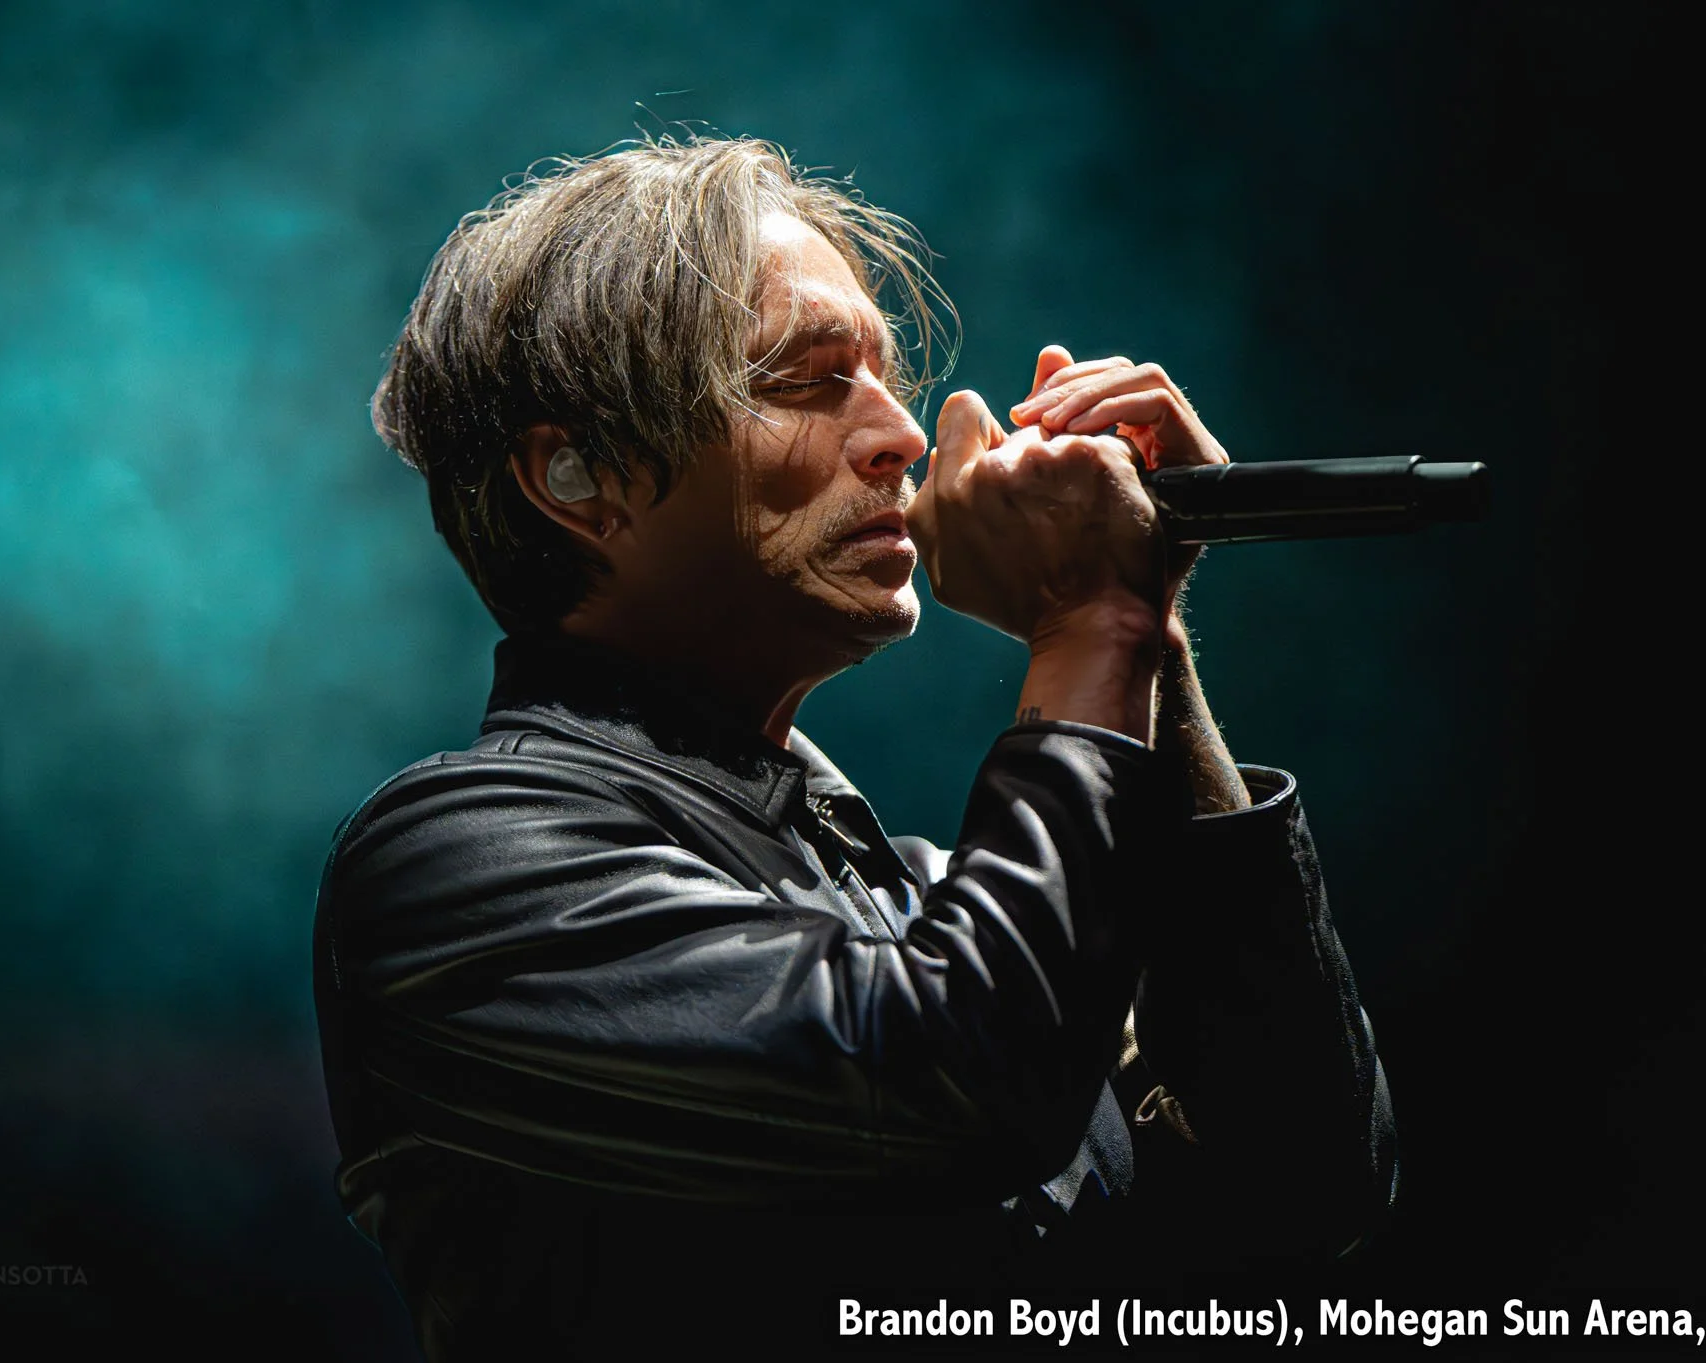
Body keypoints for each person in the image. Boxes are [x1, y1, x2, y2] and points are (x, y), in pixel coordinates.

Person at [312, 134, 1396, 1361]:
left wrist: (1151, 634)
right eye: (808, 379)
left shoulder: (934, 894)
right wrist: (1091, 619)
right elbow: (958, 1082)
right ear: (577, 478)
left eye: (885, 375)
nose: (901, 435)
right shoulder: (460, 863)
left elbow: (1303, 1195)